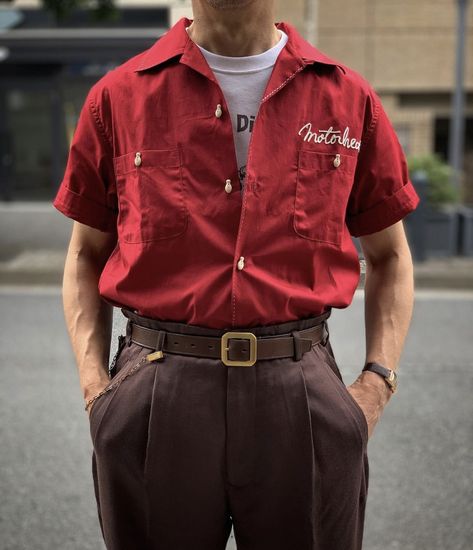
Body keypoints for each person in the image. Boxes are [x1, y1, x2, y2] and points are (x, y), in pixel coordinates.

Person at [52, 1, 420, 549]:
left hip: (300, 392)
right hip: (158, 389)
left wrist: (375, 385)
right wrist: (95, 390)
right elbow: (85, 253)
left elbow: (390, 256)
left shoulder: (347, 98)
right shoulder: (118, 97)